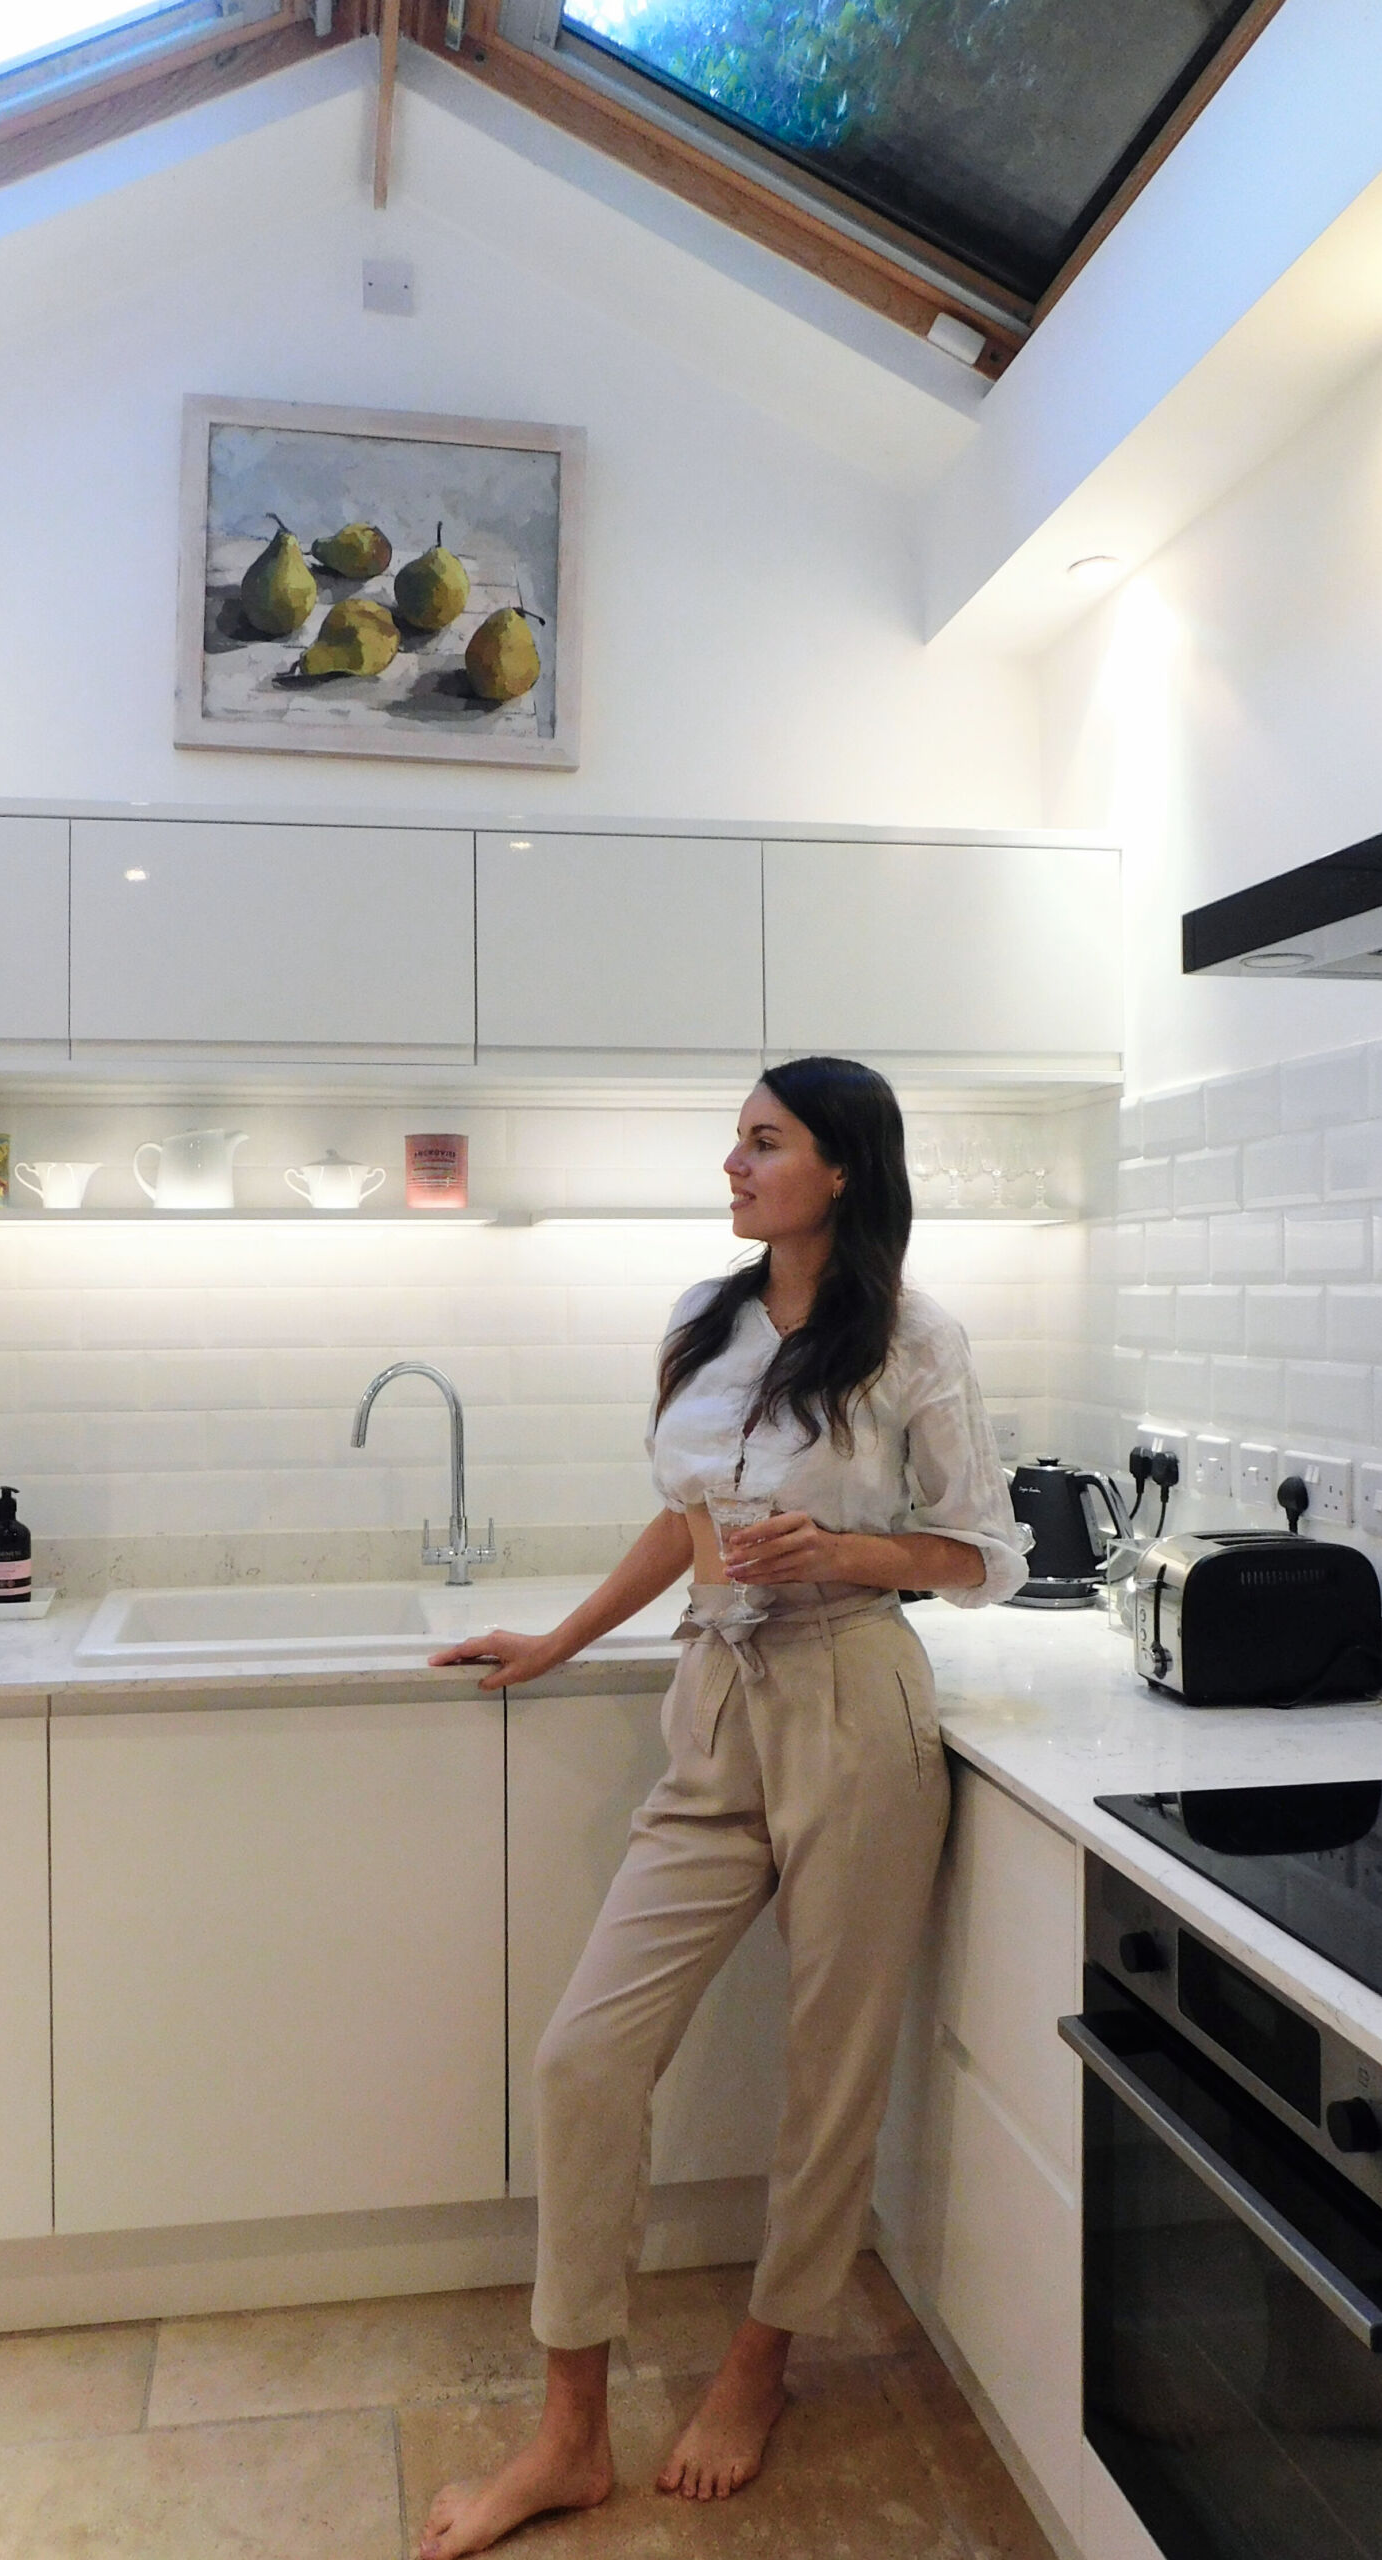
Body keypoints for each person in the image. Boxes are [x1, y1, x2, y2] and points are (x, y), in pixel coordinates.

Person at [415, 1055, 1028, 2560]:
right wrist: (562, 1639)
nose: (735, 1167)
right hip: (714, 1706)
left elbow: (981, 1556)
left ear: (843, 1168)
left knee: (830, 2074)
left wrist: (841, 1552)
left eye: (765, 1142)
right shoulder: (707, 1318)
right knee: (584, 2058)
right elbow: (685, 1520)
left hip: (854, 1706)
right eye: (736, 1143)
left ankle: (761, 2366)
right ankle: (569, 2436)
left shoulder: (917, 1338)